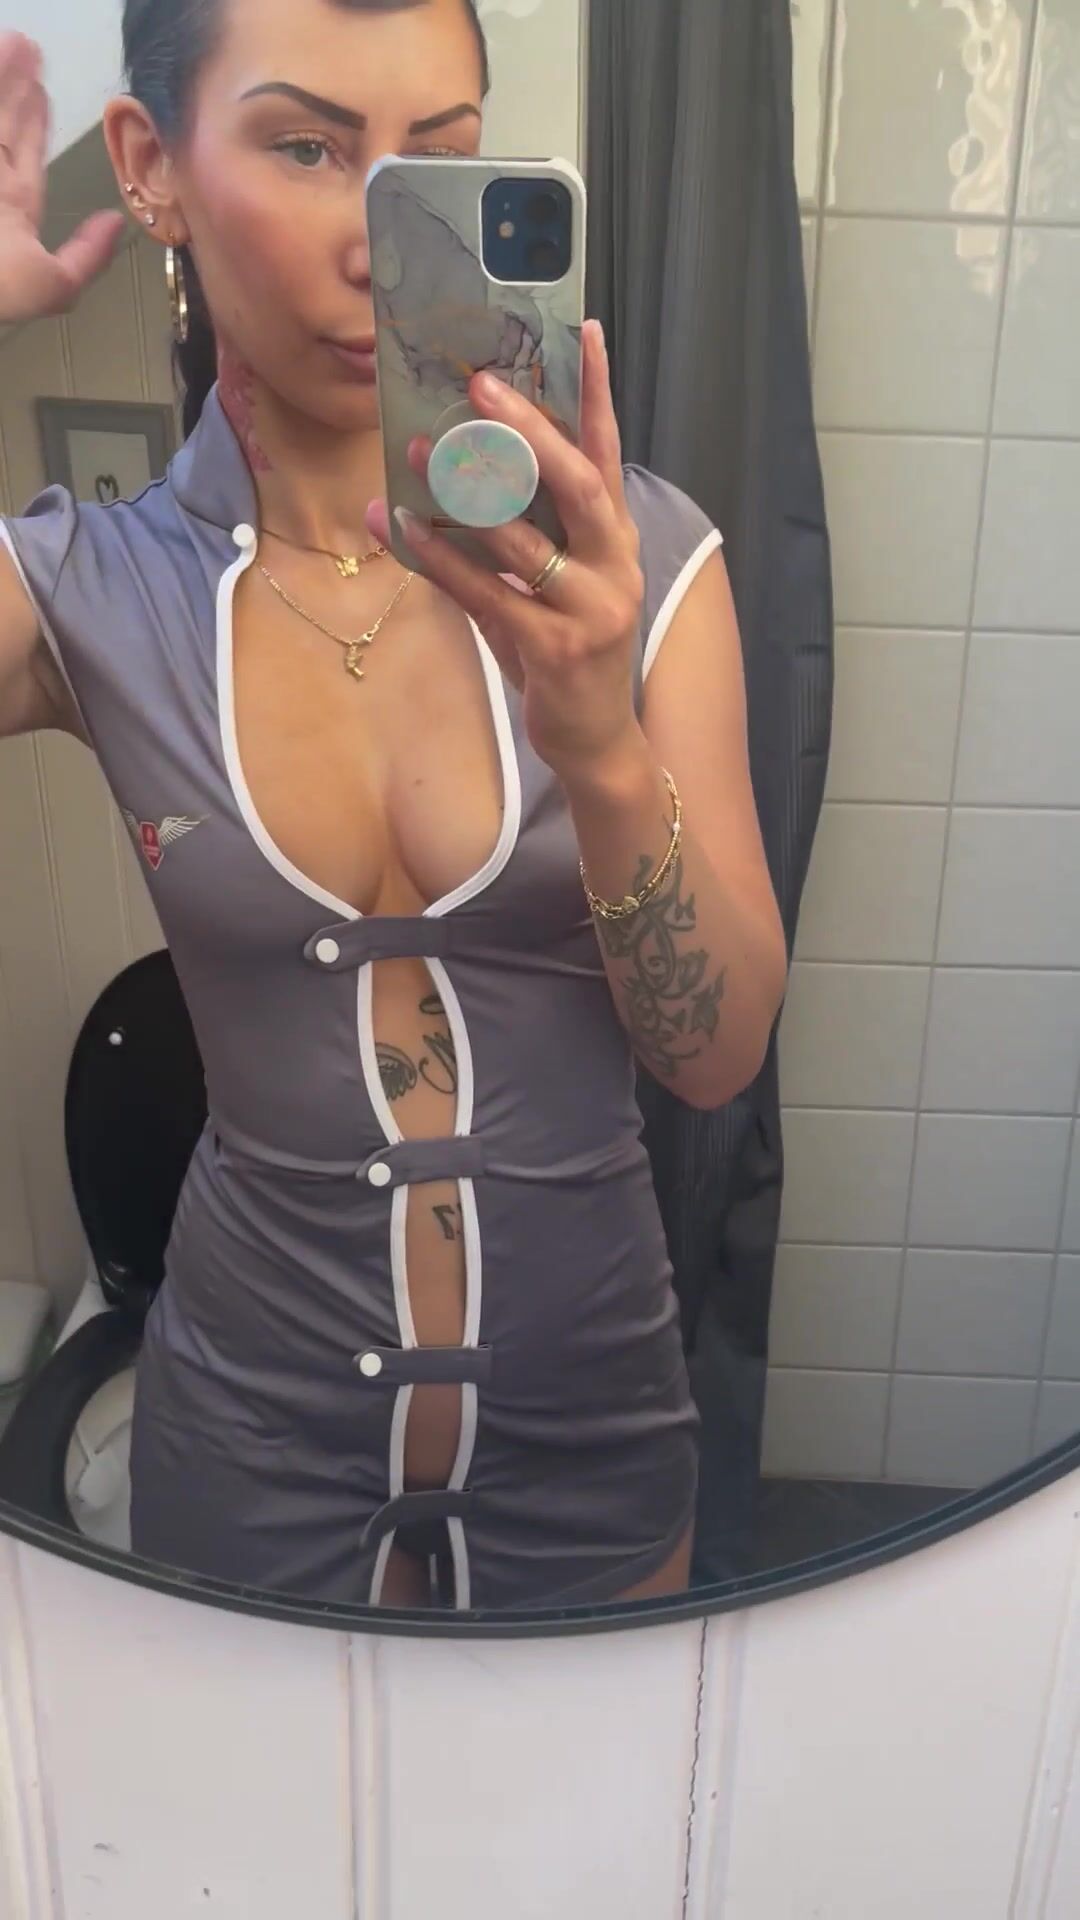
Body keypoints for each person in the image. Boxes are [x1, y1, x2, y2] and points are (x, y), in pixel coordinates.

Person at [0, 0, 787, 1611]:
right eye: (306, 148)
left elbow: (712, 1057)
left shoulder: (641, 567)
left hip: (591, 1434)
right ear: (148, 168)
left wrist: (600, 744)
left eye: (434, 162)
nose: (381, 247)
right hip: (246, 1446)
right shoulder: (86, 593)